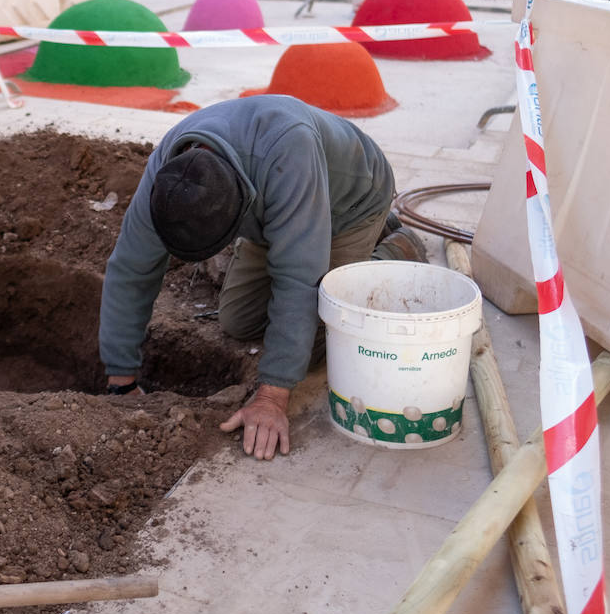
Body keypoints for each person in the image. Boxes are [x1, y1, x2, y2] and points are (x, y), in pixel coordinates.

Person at [99, 96, 428, 461]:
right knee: (238, 321)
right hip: (278, 200)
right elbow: (131, 267)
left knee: (316, 350)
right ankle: (314, 241)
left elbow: (299, 280)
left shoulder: (290, 148)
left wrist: (272, 396)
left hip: (351, 202)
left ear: (239, 204)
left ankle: (399, 245)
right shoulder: (169, 170)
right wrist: (120, 379)